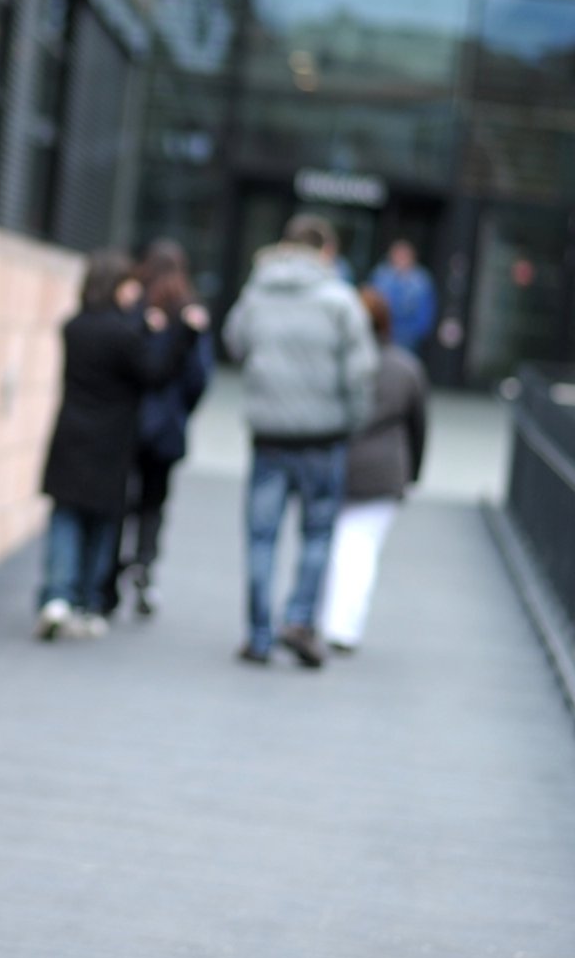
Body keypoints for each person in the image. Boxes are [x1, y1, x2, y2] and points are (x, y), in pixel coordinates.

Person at [222, 215, 377, 668]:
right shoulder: (340, 300)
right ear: (325, 251)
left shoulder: (258, 292)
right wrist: (352, 421)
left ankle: (258, 635)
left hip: (269, 435)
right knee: (317, 534)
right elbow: (361, 372)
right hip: (324, 437)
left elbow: (234, 344)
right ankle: (299, 619)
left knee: (261, 538)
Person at [37, 251, 207, 641]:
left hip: (70, 433)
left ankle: (56, 597)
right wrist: (181, 335)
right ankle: (86, 600)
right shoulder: (124, 335)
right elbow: (156, 374)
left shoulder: (74, 326)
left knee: (65, 515)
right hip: (110, 440)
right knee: (100, 522)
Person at [318, 288, 428, 654]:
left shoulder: (333, 361)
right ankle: (344, 626)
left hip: (337, 462)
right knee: (360, 550)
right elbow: (418, 428)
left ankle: (322, 618)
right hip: (383, 470)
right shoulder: (405, 367)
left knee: (331, 545)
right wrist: (412, 475)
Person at [116, 240, 215, 618]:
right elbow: (199, 377)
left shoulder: (133, 307)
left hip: (130, 419)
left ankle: (115, 568)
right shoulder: (189, 314)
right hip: (168, 424)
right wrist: (181, 410)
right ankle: (144, 565)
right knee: (154, 502)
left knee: (123, 497)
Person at [368, 239, 437, 354]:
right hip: (382, 335)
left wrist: (418, 334)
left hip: (408, 337)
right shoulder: (381, 275)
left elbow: (425, 312)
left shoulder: (421, 281)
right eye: (398, 255)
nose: (401, 260)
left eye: (404, 256)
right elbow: (371, 303)